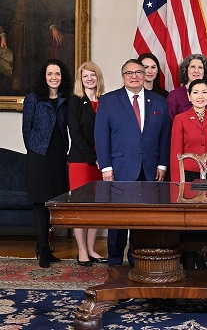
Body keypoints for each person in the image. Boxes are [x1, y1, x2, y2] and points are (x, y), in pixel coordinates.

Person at [94, 59, 171, 266]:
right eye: (129, 73)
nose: (134, 76)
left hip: (149, 169)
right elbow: (101, 136)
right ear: (123, 76)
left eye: (138, 72)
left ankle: (139, 261)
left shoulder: (158, 101)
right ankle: (115, 262)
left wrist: (162, 164)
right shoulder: (109, 101)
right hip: (119, 169)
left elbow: (165, 136)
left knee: (142, 219)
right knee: (118, 220)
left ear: (145, 74)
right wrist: (106, 167)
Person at [22, 58, 70, 268]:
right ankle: (42, 248)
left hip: (59, 155)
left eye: (57, 74)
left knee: (53, 202)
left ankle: (47, 245)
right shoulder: (33, 99)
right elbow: (26, 129)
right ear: (44, 76)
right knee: (40, 202)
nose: (54, 78)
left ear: (62, 77)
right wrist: (34, 148)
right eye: (50, 74)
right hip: (39, 155)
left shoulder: (66, 98)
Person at [0, 0, 64, 95]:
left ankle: (29, 92)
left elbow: (43, 12)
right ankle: (13, 92)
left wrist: (52, 27)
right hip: (15, 34)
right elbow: (2, 15)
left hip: (31, 34)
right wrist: (2, 35)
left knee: (31, 62)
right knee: (15, 63)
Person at [67, 62, 107, 267]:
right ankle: (82, 250)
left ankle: (92, 249)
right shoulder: (74, 101)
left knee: (96, 208)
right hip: (81, 162)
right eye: (85, 76)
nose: (89, 78)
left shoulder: (105, 101)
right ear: (80, 80)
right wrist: (94, 159)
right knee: (81, 207)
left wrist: (104, 159)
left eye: (93, 75)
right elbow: (75, 134)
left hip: (102, 163)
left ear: (98, 78)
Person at [170, 79, 207, 182]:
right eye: (195, 92)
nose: (200, 96)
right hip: (187, 173)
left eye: (204, 92)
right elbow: (176, 153)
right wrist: (177, 181)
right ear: (189, 96)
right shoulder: (180, 119)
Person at [166, 54, 207, 121]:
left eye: (200, 67)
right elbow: (170, 123)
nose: (196, 71)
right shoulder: (174, 95)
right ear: (186, 70)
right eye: (192, 67)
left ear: (205, 71)